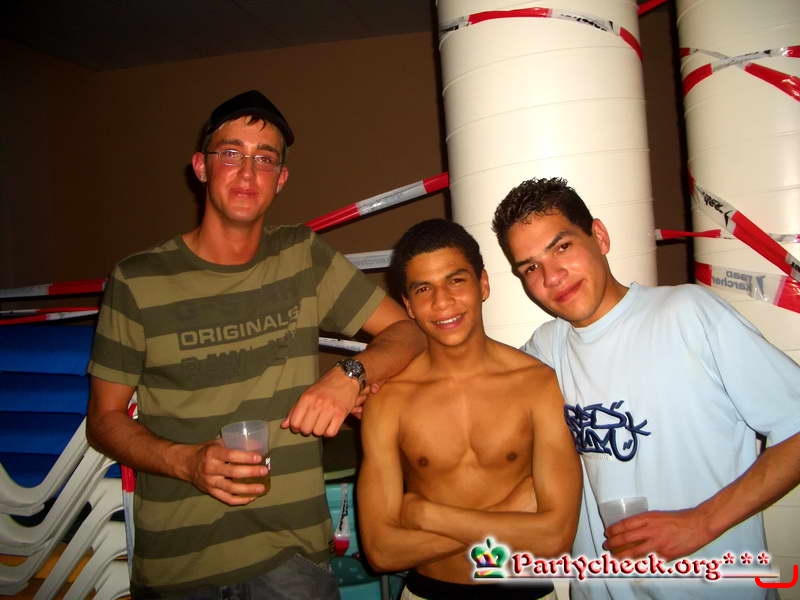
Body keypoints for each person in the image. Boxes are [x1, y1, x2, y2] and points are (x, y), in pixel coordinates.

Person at [86, 90, 425, 599]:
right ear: (201, 167)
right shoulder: (137, 280)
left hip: (292, 558)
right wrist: (186, 462)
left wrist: (349, 375)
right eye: (231, 153)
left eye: (264, 159)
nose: (247, 173)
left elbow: (408, 332)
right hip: (180, 565)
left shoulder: (303, 256)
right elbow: (104, 420)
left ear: (280, 179)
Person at [491, 177, 800, 599]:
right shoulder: (547, 349)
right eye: (530, 267)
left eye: (562, 247)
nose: (552, 276)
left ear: (599, 236)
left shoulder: (686, 314)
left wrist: (701, 522)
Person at [357, 219, 582, 600]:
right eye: (424, 289)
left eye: (456, 281)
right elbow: (382, 552)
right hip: (428, 591)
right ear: (408, 305)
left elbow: (555, 539)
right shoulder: (390, 400)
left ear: (484, 284)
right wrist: (511, 513)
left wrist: (427, 515)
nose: (442, 302)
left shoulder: (537, 385)